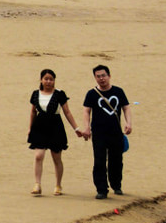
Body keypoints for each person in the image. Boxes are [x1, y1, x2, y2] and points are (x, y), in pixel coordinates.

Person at [27, 68, 84, 197]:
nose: (48, 81)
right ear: (41, 80)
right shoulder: (35, 94)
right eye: (46, 79)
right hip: (39, 126)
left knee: (56, 157)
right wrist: (30, 128)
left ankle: (58, 185)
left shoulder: (59, 94)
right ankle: (37, 184)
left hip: (55, 127)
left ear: (54, 81)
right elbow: (33, 112)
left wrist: (76, 128)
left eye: (51, 79)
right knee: (38, 156)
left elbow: (67, 112)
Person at [82, 64, 132, 198]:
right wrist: (87, 127)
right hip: (98, 134)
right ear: (95, 78)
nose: (101, 79)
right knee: (99, 161)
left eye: (103, 75)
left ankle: (117, 185)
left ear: (109, 76)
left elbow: (126, 107)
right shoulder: (91, 94)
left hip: (116, 132)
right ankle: (101, 189)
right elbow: (86, 111)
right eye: (98, 76)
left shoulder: (118, 92)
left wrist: (128, 123)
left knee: (116, 160)